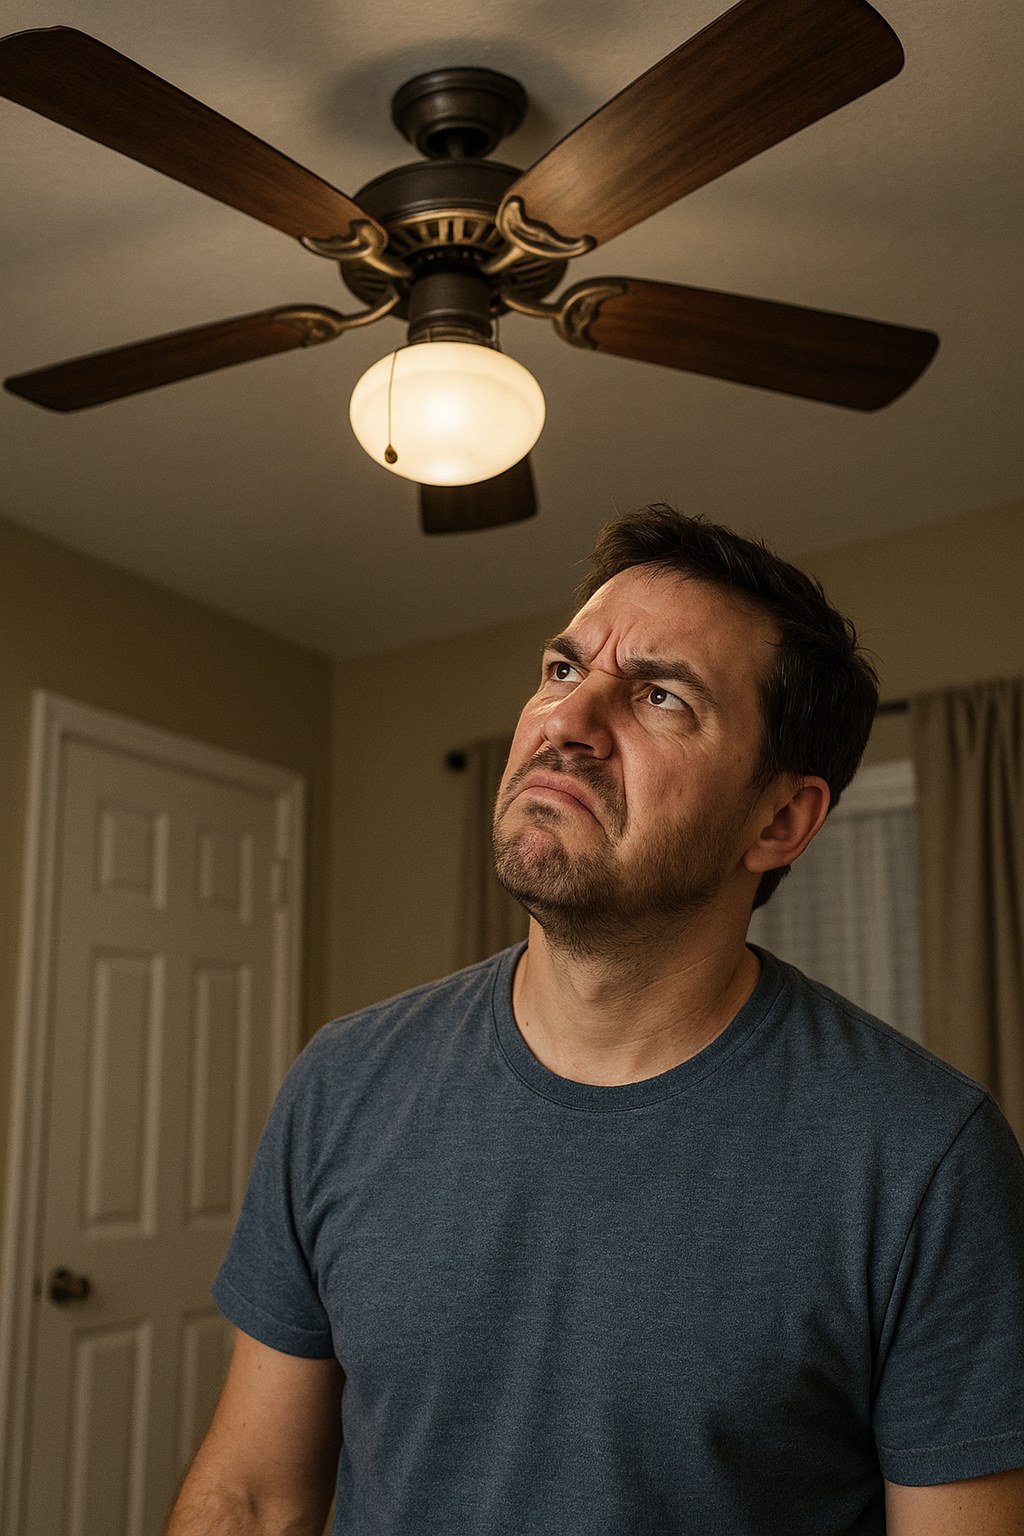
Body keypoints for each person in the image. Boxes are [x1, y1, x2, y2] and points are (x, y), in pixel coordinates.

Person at [167, 505, 1024, 1536]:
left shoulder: (923, 1157)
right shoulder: (343, 1081)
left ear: (780, 820)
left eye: (660, 697)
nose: (566, 723)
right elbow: (254, 1498)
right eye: (565, 671)